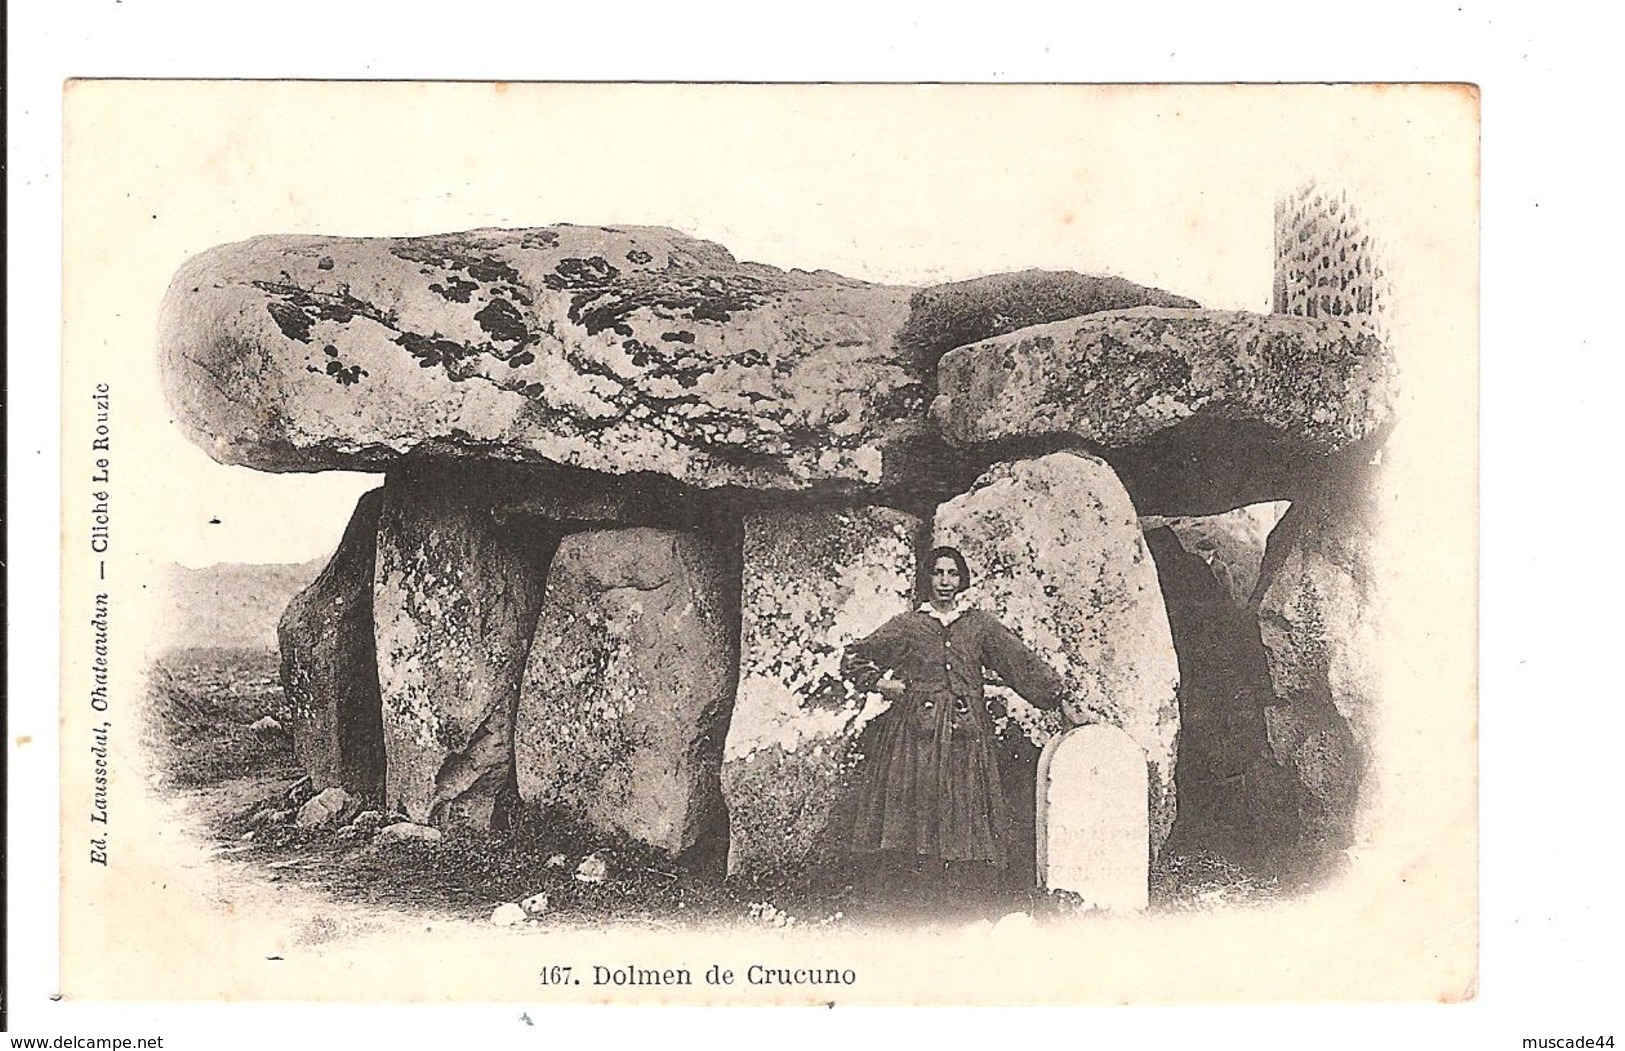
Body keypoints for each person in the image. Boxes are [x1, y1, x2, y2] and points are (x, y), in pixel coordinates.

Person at [840, 546, 1064, 917]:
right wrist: (882, 684)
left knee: (965, 804)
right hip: (918, 733)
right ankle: (917, 899)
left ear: (962, 580)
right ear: (927, 579)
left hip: (966, 732)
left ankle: (965, 900)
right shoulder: (908, 625)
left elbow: (1019, 664)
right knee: (920, 806)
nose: (945, 582)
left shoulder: (979, 625)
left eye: (952, 574)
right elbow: (855, 657)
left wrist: (1059, 698)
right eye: (938, 573)